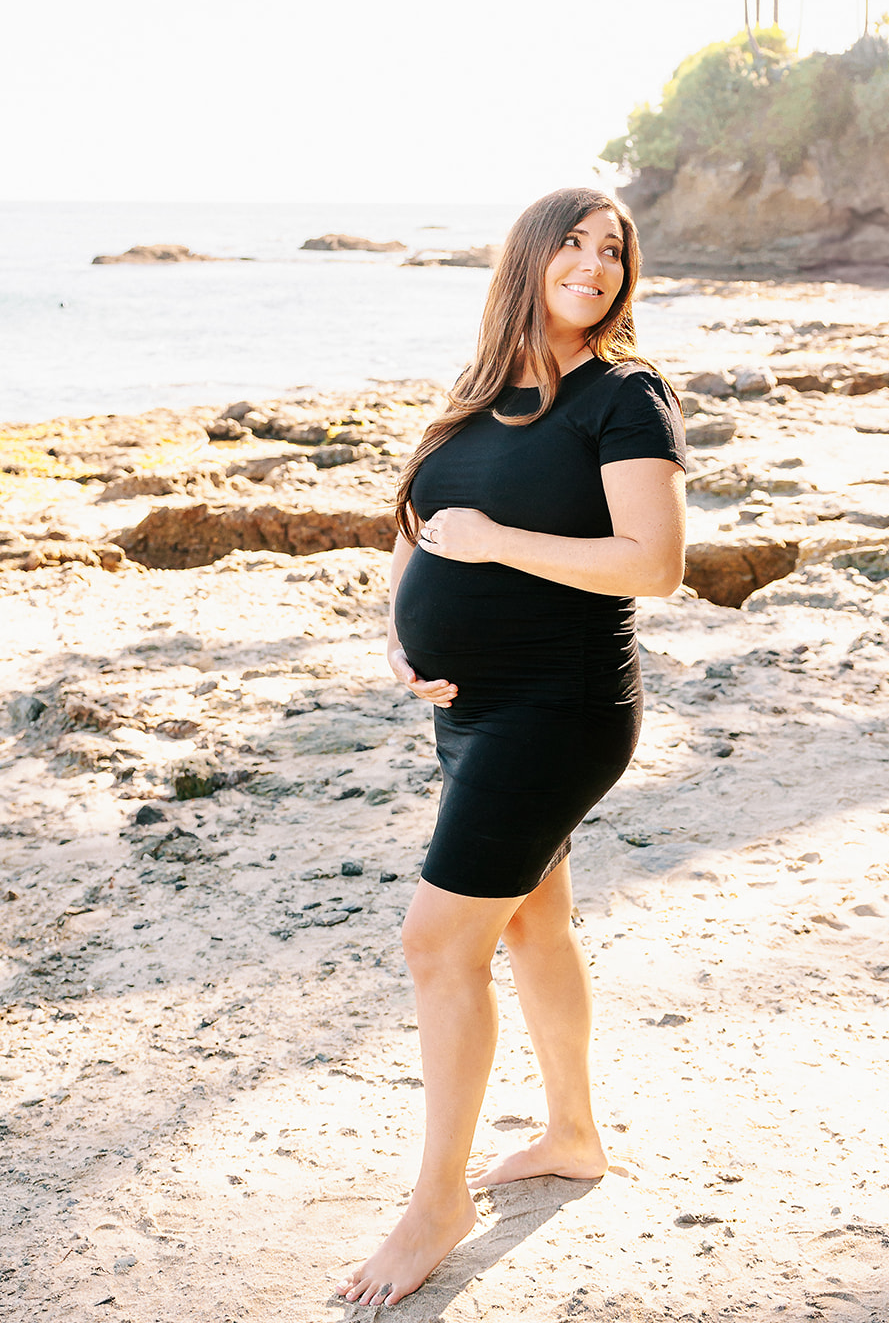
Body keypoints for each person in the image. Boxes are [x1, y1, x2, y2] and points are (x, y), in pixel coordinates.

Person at [338, 187, 687, 1308]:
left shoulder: (626, 397)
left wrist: (496, 544)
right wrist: (400, 636)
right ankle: (574, 1133)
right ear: (528, 258)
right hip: (470, 711)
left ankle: (439, 1198)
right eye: (575, 242)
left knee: (437, 944)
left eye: (614, 249)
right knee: (535, 917)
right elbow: (415, 528)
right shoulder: (472, 401)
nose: (595, 262)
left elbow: (652, 562)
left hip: (562, 707)